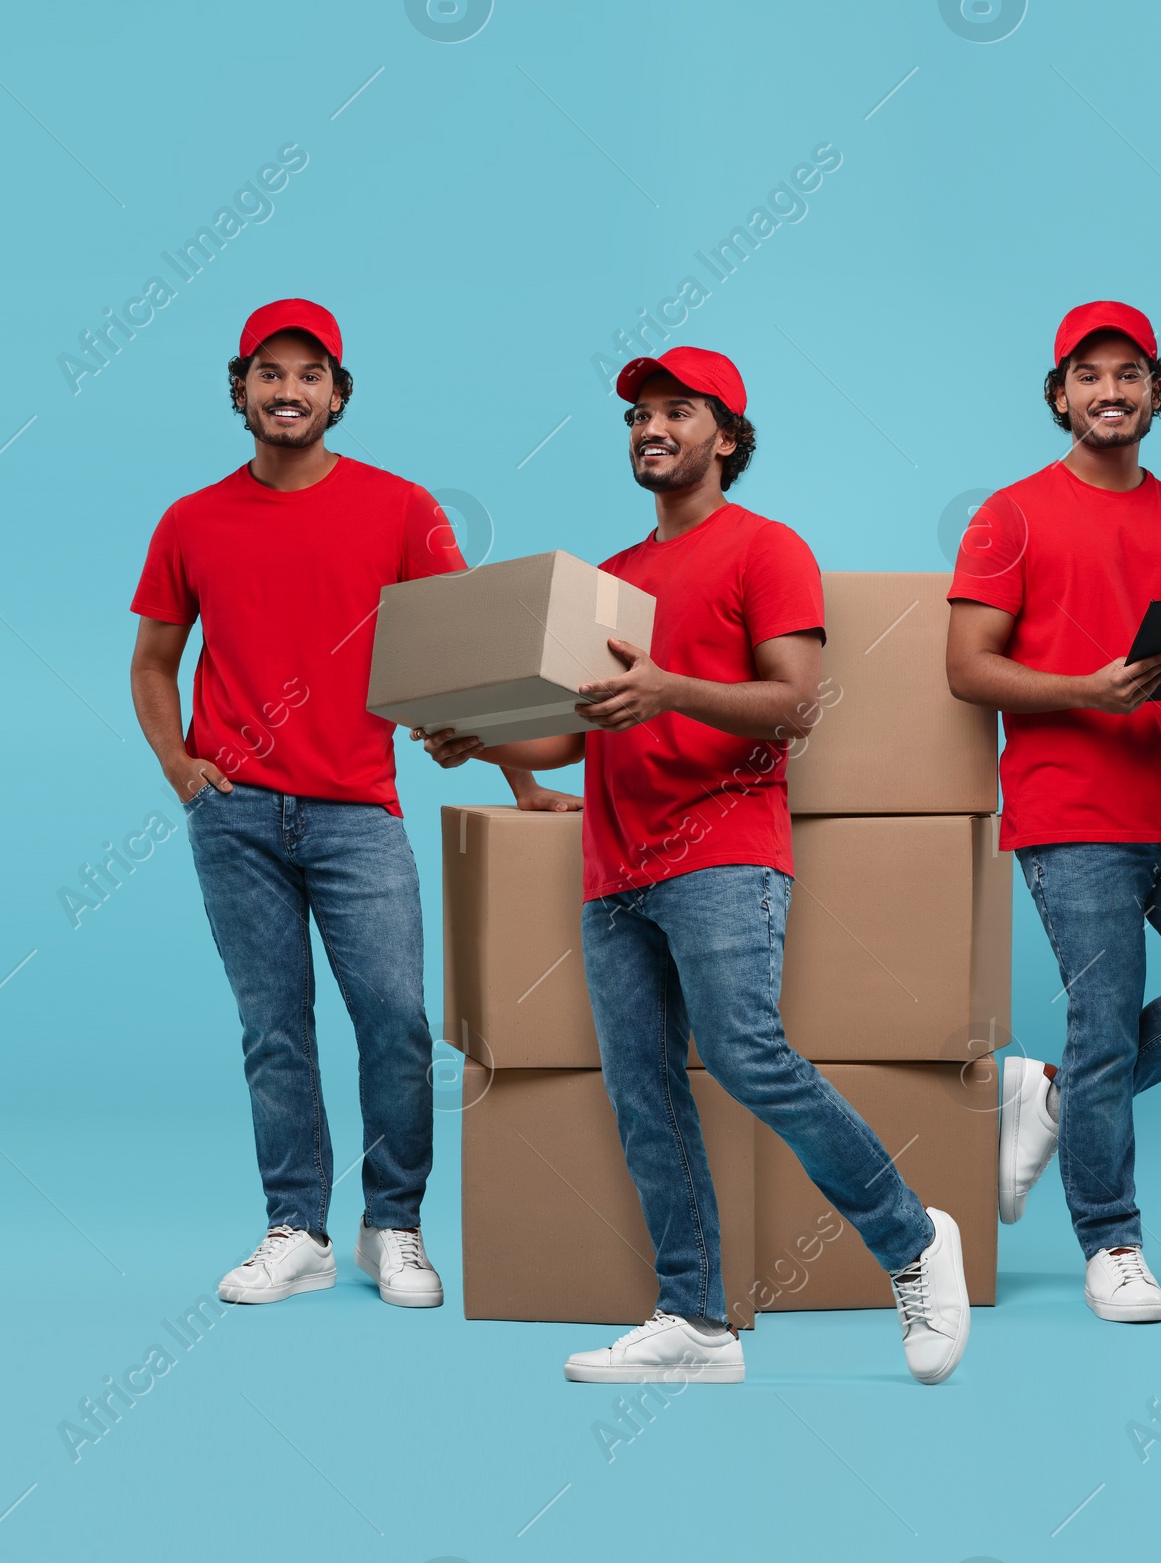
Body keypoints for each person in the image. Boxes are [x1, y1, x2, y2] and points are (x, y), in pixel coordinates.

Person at [418, 346, 970, 1383]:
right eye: (637, 416)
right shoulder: (611, 580)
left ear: (726, 435)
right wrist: (479, 740)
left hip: (721, 851)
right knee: (644, 1094)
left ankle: (910, 1238)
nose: (650, 429)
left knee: (749, 1054)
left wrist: (671, 688)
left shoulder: (767, 550)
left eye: (676, 411)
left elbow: (795, 703)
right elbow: (573, 734)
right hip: (614, 867)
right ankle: (695, 1323)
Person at [129, 298, 578, 1309]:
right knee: (273, 1026)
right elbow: (154, 658)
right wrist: (177, 762)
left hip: (356, 812)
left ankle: (395, 1226)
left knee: (394, 1020)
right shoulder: (190, 520)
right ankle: (296, 1228)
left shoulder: (400, 508)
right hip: (236, 814)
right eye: (269, 373)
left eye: (310, 374)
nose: (289, 391)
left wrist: (518, 774)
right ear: (239, 388)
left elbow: (464, 658)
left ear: (338, 393)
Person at [946, 300, 1161, 1323]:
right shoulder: (1009, 515)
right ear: (1060, 396)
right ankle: (1111, 1239)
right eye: (1089, 376)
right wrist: (1086, 692)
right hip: (1072, 813)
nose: (1110, 391)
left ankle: (1046, 1094)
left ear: (1153, 392)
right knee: (1106, 1023)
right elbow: (967, 669)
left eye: (1128, 374)